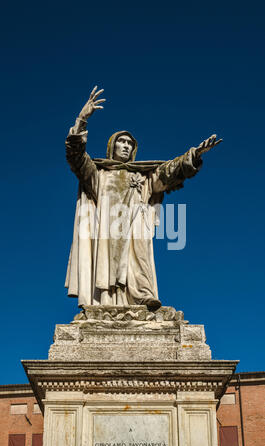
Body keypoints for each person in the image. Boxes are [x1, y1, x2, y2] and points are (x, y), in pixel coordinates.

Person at [65, 86, 221, 308]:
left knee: (140, 258)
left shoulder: (143, 176)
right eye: (122, 141)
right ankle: (107, 305)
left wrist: (193, 156)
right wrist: (82, 120)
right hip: (108, 227)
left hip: (137, 223)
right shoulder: (99, 174)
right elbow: (76, 158)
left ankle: (143, 297)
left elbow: (168, 172)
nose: (127, 146)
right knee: (107, 266)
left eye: (130, 143)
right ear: (112, 146)